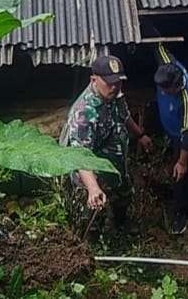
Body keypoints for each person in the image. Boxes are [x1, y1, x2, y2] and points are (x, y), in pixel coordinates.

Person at [60, 55, 153, 239]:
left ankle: (121, 224)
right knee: (94, 210)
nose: (114, 87)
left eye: (118, 82)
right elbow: (81, 156)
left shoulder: (115, 94)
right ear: (94, 80)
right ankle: (93, 245)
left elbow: (124, 116)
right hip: (92, 172)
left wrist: (140, 135)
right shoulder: (84, 113)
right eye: (109, 83)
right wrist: (93, 187)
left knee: (123, 193)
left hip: (116, 164)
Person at [154, 44, 188, 235]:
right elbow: (158, 46)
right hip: (173, 131)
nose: (163, 93)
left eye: (167, 90)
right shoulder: (167, 65)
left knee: (185, 174)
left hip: (187, 141)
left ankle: (186, 211)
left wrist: (182, 162)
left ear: (177, 85)